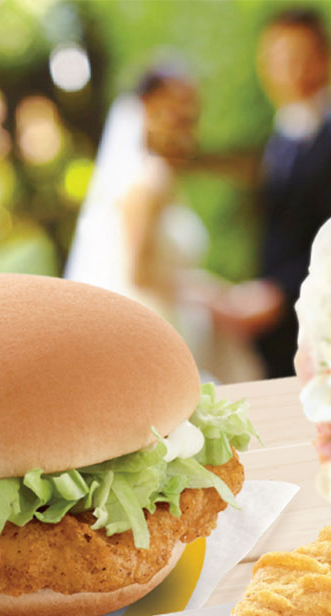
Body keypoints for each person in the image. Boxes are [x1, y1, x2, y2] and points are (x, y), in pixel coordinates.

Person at [65, 65, 262, 383]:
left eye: (191, 111)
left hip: (168, 326)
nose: (186, 120)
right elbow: (139, 274)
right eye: (176, 110)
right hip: (153, 334)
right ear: (147, 109)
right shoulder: (149, 181)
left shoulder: (155, 178)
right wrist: (215, 300)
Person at [211, 9, 331, 379]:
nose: (289, 71)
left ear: (326, 59)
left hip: (309, 317)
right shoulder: (282, 135)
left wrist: (278, 293)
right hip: (271, 323)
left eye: (300, 58)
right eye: (278, 60)